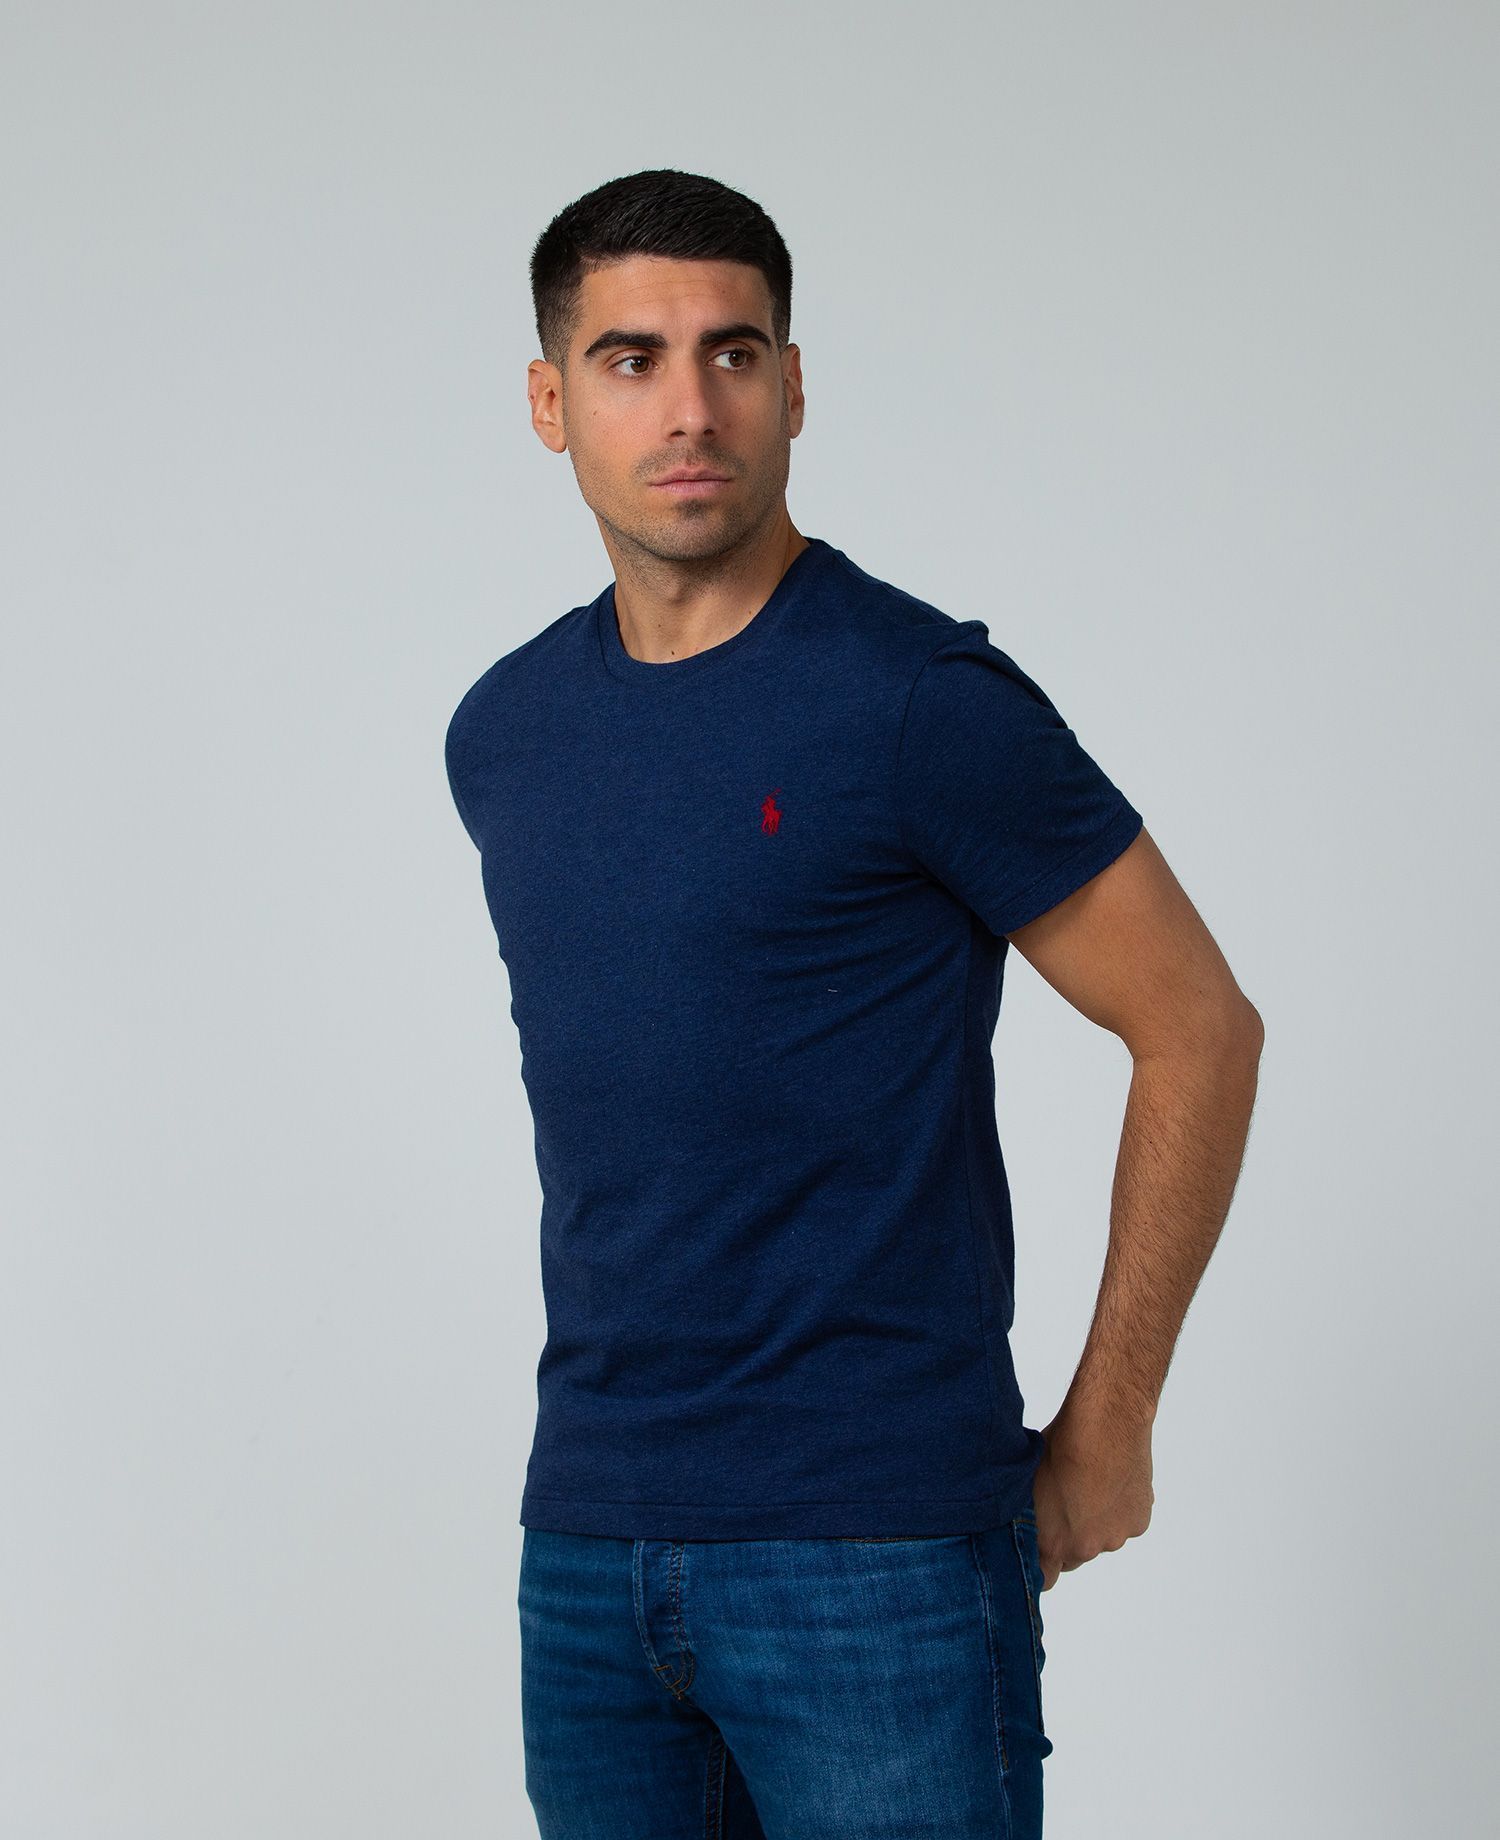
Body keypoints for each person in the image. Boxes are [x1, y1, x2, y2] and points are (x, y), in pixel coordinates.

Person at [443, 167, 1263, 1840]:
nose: (691, 407)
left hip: (877, 1554)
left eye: (733, 353)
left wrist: (1111, 1422)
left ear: (794, 386)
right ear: (548, 402)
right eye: (630, 359)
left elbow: (1199, 1025)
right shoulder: (506, 732)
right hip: (589, 1546)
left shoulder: (918, 703)